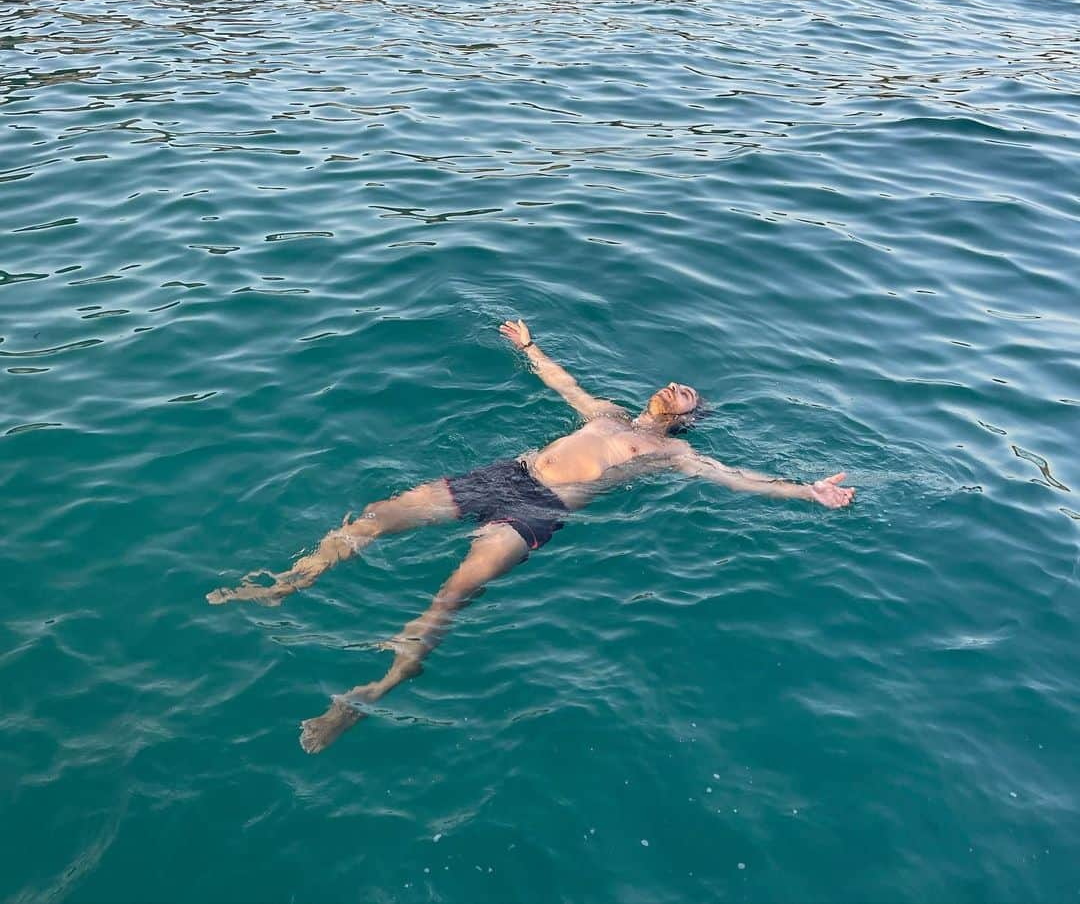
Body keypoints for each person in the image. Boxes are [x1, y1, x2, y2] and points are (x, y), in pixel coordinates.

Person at [208, 319, 855, 754]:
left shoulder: (672, 457)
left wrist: (806, 490)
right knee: (378, 514)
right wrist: (527, 345)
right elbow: (561, 380)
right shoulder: (602, 413)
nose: (675, 388)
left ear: (687, 421)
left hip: (539, 510)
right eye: (675, 383)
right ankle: (288, 584)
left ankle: (366, 694)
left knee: (450, 595)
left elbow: (738, 477)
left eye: (687, 395)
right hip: (505, 476)